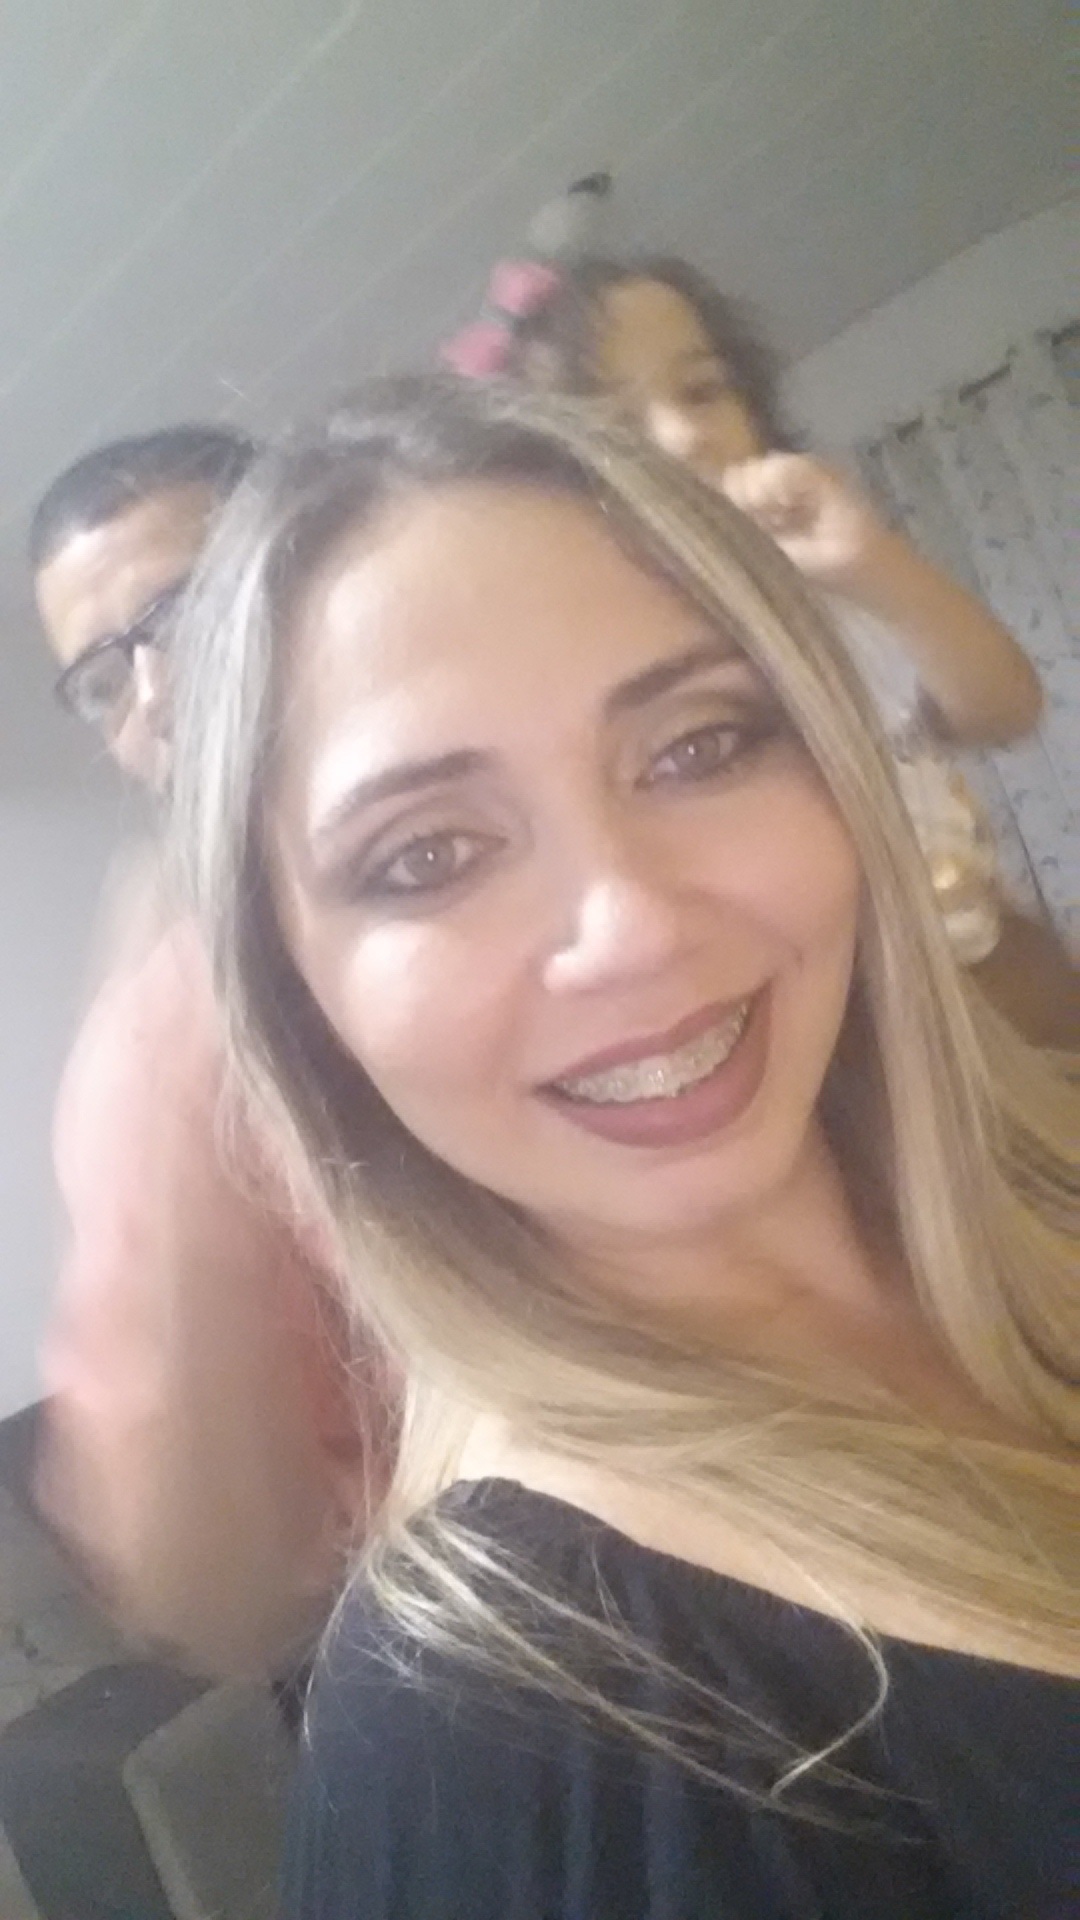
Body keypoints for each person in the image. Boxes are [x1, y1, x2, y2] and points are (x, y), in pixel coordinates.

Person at [168, 378, 1078, 1918]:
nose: (633, 927)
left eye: (698, 746)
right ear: (302, 1001)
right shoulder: (499, 1735)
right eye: (429, 854)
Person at [460, 252, 1080, 1049]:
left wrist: (874, 564)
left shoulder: (815, 588)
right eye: (616, 420)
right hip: (845, 1032)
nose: (683, 433)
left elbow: (1005, 708)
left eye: (702, 390)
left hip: (999, 966)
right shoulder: (589, 674)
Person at [31, 426, 382, 1679]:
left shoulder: (545, 816)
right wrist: (170, 1097)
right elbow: (205, 1586)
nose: (155, 697)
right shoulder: (155, 1042)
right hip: (527, 1618)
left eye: (180, 611)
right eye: (100, 680)